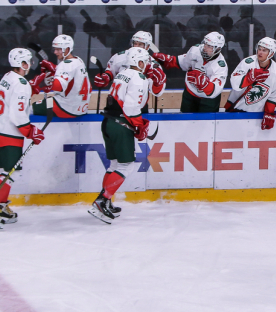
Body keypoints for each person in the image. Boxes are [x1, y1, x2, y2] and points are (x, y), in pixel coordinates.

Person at [88, 47, 153, 223]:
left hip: (108, 122)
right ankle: (102, 200)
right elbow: (131, 108)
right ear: (139, 62)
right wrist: (139, 125)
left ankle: (106, 201)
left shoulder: (122, 74)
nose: (146, 65)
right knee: (126, 166)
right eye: (145, 62)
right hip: (120, 124)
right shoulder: (139, 79)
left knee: (114, 165)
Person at [0, 49, 45, 228]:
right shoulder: (21, 84)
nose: (30, 65)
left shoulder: (8, 76)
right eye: (28, 62)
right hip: (9, 133)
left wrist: (29, 87)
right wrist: (30, 131)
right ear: (23, 64)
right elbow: (17, 113)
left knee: (7, 170)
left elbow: (12, 99)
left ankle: (1, 205)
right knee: (11, 172)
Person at [152, 32, 228, 113]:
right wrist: (170, 60)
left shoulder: (220, 66)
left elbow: (216, 90)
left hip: (208, 101)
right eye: (205, 44)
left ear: (218, 49)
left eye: (209, 46)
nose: (205, 47)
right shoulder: (195, 50)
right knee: (185, 123)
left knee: (207, 125)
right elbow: (184, 63)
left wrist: (204, 84)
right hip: (190, 94)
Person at [92, 31, 167, 108]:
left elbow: (156, 92)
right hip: (116, 103)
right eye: (135, 43)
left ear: (147, 47)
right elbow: (110, 72)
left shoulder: (153, 65)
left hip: (138, 104)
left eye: (140, 44)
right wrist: (105, 77)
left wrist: (158, 84)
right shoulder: (120, 56)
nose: (136, 47)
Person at [225, 37, 276, 130]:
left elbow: (273, 96)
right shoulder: (247, 63)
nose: (260, 52)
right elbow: (234, 83)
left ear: (271, 53)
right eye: (259, 49)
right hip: (235, 110)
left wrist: (269, 113)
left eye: (264, 50)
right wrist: (249, 78)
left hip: (256, 115)